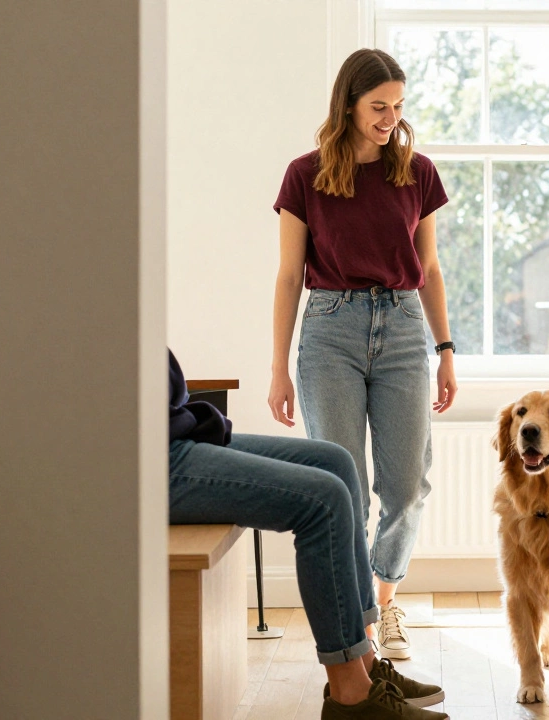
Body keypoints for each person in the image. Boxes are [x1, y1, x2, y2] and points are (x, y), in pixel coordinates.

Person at [269, 48, 458, 663]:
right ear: (348, 104)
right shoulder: (305, 174)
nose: (390, 117)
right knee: (342, 482)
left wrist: (446, 348)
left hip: (404, 328)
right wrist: (279, 366)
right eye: (379, 106)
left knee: (406, 486)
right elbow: (288, 275)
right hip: (329, 331)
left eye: (398, 106)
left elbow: (428, 268)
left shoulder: (417, 171)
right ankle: (364, 621)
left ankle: (383, 596)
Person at [168, 349, 448, 720]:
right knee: (324, 500)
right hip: (153, 458)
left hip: (179, 431)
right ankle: (350, 694)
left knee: (337, 462)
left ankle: (364, 658)